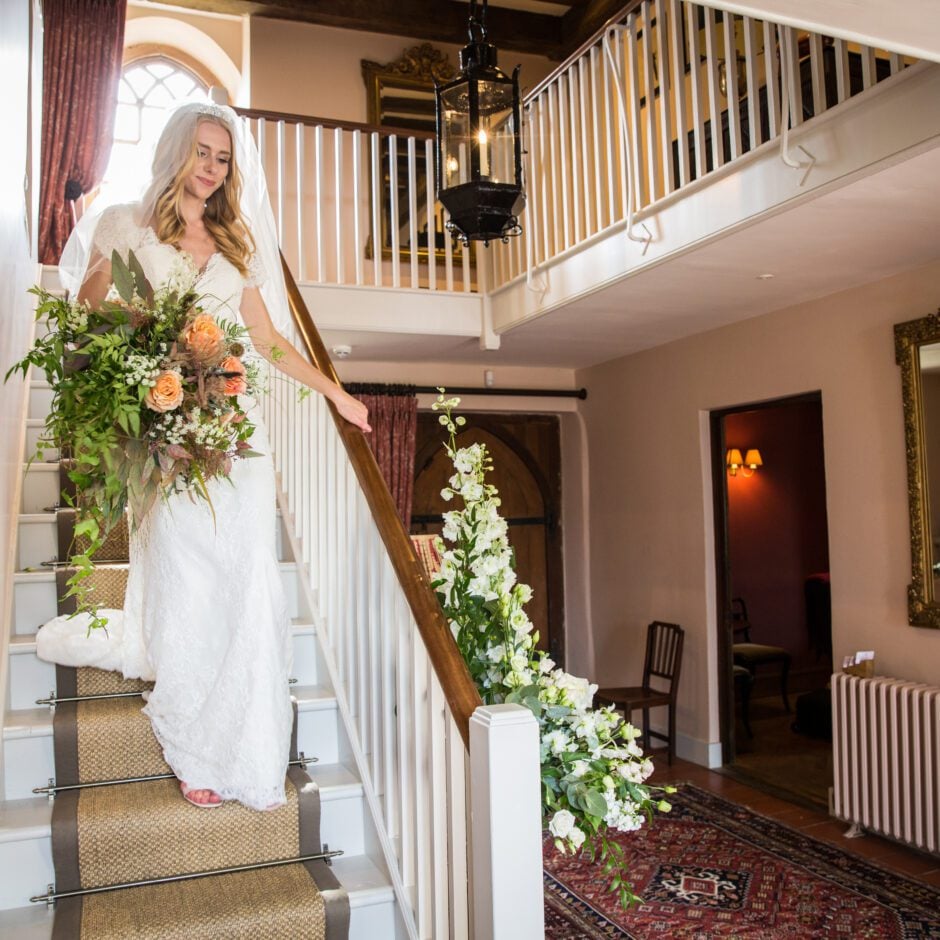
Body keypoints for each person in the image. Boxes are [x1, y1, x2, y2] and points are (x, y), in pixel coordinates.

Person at [37, 102, 370, 811]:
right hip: (168, 434)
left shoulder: (236, 242)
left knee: (247, 580)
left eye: (222, 156)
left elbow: (270, 342)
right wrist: (104, 269)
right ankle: (192, 738)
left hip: (236, 433)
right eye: (202, 152)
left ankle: (245, 744)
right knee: (190, 582)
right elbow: (93, 310)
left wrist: (335, 393)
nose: (213, 166)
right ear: (176, 154)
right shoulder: (131, 224)